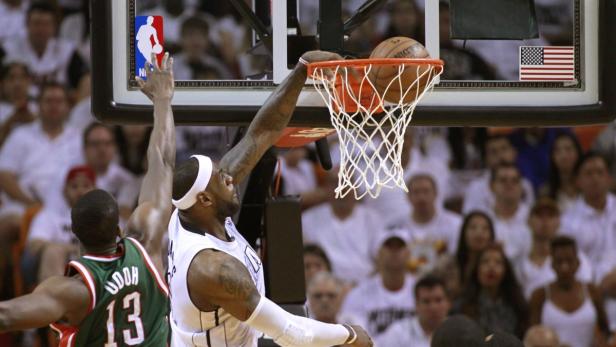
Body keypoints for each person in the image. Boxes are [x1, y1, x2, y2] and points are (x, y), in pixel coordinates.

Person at [166, 50, 373, 347]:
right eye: (220, 179)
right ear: (205, 201)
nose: (229, 176)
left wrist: (302, 70)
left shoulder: (193, 208)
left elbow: (260, 134)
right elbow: (291, 333)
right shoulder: (212, 268)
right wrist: (350, 334)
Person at [0, 52, 176, 345]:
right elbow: (163, 160)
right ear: (119, 229)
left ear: (76, 235)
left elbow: (6, 315)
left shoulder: (73, 291)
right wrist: (162, 99)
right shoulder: (147, 246)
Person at [302, 168, 382, 285]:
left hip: (366, 283)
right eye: (336, 183)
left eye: (347, 182)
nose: (342, 187)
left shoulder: (372, 218)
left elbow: (381, 259)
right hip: (325, 287)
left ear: (355, 187)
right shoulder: (308, 219)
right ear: (326, 188)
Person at [529, 236, 609, 347]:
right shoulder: (540, 295)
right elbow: (531, 337)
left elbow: (605, 330)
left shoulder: (592, 291)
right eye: (559, 262)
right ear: (552, 265)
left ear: (578, 263)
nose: (564, 267)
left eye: (569, 261)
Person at [339, 231, 416, 339]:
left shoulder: (420, 290)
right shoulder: (358, 295)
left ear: (409, 253)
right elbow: (352, 335)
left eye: (400, 247)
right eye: (388, 246)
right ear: (377, 253)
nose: (394, 252)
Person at [26, 165, 95, 281]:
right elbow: (34, 244)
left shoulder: (105, 215)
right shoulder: (49, 214)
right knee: (53, 251)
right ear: (64, 190)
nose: (80, 191)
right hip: (55, 263)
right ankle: (53, 295)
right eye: (74, 186)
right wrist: (69, 249)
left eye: (86, 186)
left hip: (91, 264)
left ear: (95, 190)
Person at [515, 198, 592, 299]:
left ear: (559, 222)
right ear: (529, 221)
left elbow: (585, 294)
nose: (545, 220)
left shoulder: (577, 259)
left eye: (550, 216)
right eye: (539, 215)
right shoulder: (518, 262)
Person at [455, 244, 528, 338]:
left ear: (506, 271)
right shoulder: (462, 305)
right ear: (476, 269)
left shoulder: (517, 306)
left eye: (498, 262)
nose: (491, 267)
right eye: (485, 262)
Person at [561, 152, 616, 268]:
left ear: (609, 179)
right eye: (588, 174)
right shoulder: (568, 221)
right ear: (578, 181)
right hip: (590, 283)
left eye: (600, 173)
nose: (595, 178)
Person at [463, 135, 534, 214]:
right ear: (486, 159)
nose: (500, 156)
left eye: (504, 149)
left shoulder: (525, 185)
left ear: (514, 152)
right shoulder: (476, 187)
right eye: (494, 152)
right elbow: (469, 218)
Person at [82, 123, 138, 222]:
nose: (102, 149)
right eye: (95, 144)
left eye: (107, 143)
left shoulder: (127, 180)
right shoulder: (73, 177)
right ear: (85, 148)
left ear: (115, 147)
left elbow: (125, 215)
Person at [376, 275, 451, 347]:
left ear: (448, 302)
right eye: (426, 301)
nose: (433, 307)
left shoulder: (457, 333)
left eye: (438, 300)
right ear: (416, 305)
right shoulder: (398, 333)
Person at [487, 163, 532, 259]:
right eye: (503, 180)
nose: (509, 185)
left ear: (521, 186)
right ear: (492, 186)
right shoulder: (484, 219)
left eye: (515, 181)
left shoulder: (533, 217)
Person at [541, 133, 583, 212]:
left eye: (568, 149)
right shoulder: (546, 192)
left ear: (577, 153)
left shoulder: (589, 186)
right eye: (558, 151)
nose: (563, 155)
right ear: (552, 157)